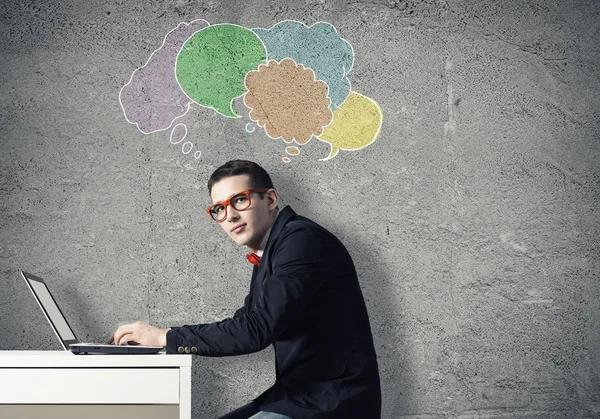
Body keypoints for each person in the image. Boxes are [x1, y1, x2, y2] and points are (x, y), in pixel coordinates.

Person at [110, 159, 381, 419]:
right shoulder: (273, 248)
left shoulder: (301, 241)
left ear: (271, 199)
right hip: (297, 397)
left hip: (332, 404)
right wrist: (161, 337)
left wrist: (165, 337)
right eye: (219, 209)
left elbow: (256, 330)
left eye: (239, 200)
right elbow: (245, 321)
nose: (230, 216)